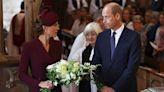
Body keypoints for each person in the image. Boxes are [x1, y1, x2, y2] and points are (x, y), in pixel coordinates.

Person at [92, 2, 141, 92]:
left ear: (117, 16)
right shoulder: (101, 37)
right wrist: (101, 86)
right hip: (103, 89)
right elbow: (95, 64)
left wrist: (114, 89)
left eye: (107, 17)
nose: (103, 21)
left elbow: (131, 68)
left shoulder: (133, 37)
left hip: (125, 89)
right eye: (103, 17)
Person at [19, 8, 63, 92]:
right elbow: (22, 74)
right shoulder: (29, 47)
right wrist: (39, 83)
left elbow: (58, 70)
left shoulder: (58, 45)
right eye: (55, 25)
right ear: (45, 28)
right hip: (38, 89)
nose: (58, 28)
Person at [69, 22, 102, 92]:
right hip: (85, 86)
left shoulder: (104, 51)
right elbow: (72, 62)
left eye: (93, 34)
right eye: (87, 35)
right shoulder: (82, 51)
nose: (90, 37)